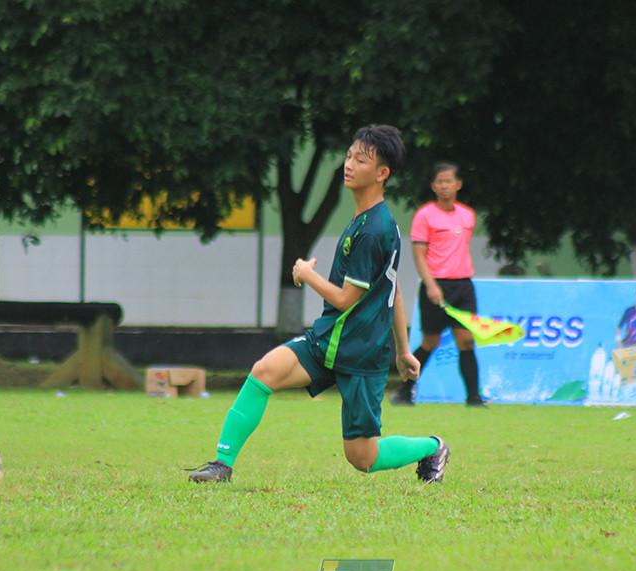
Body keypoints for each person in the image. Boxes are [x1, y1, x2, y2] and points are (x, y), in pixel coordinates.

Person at [188, 125, 450, 484]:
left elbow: (345, 299)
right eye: (348, 156)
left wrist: (305, 273)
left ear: (381, 173)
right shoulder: (364, 220)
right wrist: (405, 351)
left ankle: (432, 447)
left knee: (362, 457)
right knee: (264, 371)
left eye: (361, 160)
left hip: (361, 352)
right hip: (328, 341)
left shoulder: (375, 229)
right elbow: (394, 290)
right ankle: (222, 464)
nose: (348, 164)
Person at [389, 162, 485, 407]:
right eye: (439, 182)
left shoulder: (467, 215)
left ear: (458, 184)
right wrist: (431, 285)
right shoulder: (424, 216)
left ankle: (474, 398)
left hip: (463, 286)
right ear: (433, 186)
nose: (444, 186)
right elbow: (419, 254)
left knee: (466, 341)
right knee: (430, 342)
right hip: (436, 286)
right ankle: (403, 392)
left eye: (448, 181)